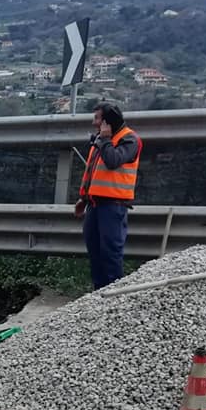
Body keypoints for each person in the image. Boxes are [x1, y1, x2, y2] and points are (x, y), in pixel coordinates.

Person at [74, 102, 142, 290]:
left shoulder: (129, 139)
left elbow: (113, 161)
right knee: (94, 250)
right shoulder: (101, 139)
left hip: (113, 205)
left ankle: (113, 294)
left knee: (110, 253)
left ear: (107, 121)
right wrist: (84, 198)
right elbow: (92, 171)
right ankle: (99, 294)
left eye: (97, 118)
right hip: (94, 204)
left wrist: (105, 139)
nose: (94, 122)